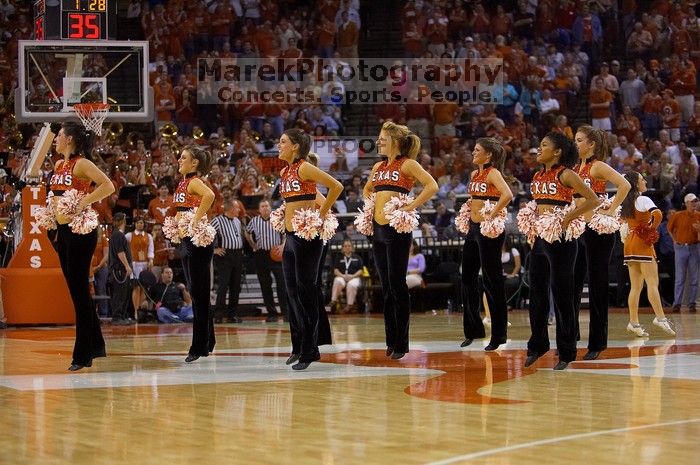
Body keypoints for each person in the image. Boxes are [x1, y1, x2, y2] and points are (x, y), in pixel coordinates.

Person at [524, 132, 599, 371]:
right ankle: (537, 345)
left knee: (563, 295)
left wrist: (568, 218)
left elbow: (592, 199)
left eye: (543, 145)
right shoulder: (537, 175)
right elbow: (538, 206)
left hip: (562, 242)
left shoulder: (566, 174)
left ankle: (566, 351)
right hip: (540, 239)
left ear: (557, 152)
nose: (538, 148)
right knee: (536, 293)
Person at [363, 121, 438, 360]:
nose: (379, 141)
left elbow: (431, 185)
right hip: (377, 229)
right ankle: (390, 339)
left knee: (397, 285)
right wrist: (371, 204)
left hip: (397, 229)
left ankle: (401, 343)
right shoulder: (377, 166)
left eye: (383, 138)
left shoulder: (408, 164)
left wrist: (411, 205)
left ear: (395, 141)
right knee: (385, 286)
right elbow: (367, 189)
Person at [49, 122, 116, 371]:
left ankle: (82, 354)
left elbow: (108, 185)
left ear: (70, 139)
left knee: (79, 293)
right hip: (64, 231)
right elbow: (55, 197)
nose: (56, 138)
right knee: (76, 291)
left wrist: (83, 202)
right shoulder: (58, 165)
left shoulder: (82, 164)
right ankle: (97, 345)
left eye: (59, 135)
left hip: (81, 231)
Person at [278, 129, 343, 370]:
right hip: (290, 238)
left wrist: (320, 214)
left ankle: (310, 350)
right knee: (292, 293)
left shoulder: (305, 167)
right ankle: (298, 346)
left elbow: (336, 187)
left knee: (306, 292)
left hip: (307, 238)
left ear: (295, 146)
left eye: (283, 142)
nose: (279, 145)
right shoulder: (285, 171)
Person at [572, 126, 632, 360]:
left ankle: (597, 343)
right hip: (578, 229)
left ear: (591, 144)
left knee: (597, 285)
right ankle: (572, 335)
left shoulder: (598, 166)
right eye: (575, 140)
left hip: (598, 231)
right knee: (573, 283)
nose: (576, 144)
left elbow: (624, 185)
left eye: (579, 140)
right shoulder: (575, 168)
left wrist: (612, 209)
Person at [461, 137, 513, 350]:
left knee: (492, 280)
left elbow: (507, 194)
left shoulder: (493, 173)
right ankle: (473, 329)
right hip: (473, 229)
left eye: (477, 149)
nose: (473, 152)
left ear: (489, 155)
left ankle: (499, 334)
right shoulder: (474, 174)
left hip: (488, 230)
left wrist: (492, 212)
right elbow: (474, 198)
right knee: (468, 277)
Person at [171, 145, 216, 362]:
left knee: (198, 293)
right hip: (187, 240)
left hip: (197, 241)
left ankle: (198, 346)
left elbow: (210, 195)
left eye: (183, 157)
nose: (179, 160)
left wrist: (196, 220)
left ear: (194, 163)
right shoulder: (183, 182)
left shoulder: (195, 181)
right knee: (197, 291)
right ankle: (208, 340)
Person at [620, 172, 676, 337]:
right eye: (641, 179)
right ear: (636, 184)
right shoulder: (643, 199)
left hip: (629, 244)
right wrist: (651, 227)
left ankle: (634, 322)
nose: (644, 181)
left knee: (636, 286)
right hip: (642, 244)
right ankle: (660, 318)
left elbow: (623, 223)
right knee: (652, 283)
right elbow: (658, 214)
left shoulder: (626, 202)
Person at [245, 199, 288, 322]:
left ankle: (286, 313)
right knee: (265, 285)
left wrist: (283, 245)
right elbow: (247, 232)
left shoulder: (277, 219)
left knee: (282, 284)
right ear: (259, 209)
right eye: (262, 206)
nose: (265, 208)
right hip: (261, 255)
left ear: (270, 208)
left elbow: (285, 234)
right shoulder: (254, 221)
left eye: (267, 206)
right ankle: (272, 313)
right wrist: (252, 244)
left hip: (276, 253)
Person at [210, 200, 245, 323]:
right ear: (230, 209)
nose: (239, 210)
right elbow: (206, 236)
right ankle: (219, 314)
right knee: (223, 286)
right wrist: (214, 250)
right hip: (225, 255)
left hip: (237, 255)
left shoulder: (237, 221)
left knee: (236, 286)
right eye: (237, 208)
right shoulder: (217, 221)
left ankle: (232, 314)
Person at [667, 193, 700, 313]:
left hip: (694, 247)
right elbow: (669, 228)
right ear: (686, 203)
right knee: (680, 278)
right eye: (692, 202)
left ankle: (692, 303)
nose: (694, 204)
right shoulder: (677, 215)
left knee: (694, 278)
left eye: (695, 201)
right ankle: (677, 304)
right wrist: (675, 241)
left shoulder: (698, 216)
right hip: (681, 248)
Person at [125, 217, 154, 315]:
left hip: (145, 263)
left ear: (144, 224)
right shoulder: (129, 235)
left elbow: (150, 249)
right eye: (137, 223)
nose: (139, 224)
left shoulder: (148, 236)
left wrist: (151, 260)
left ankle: (142, 310)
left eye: (141, 223)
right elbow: (123, 247)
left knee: (143, 288)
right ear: (135, 224)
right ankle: (136, 311)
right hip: (134, 264)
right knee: (136, 287)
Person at [331, 240, 363, 313]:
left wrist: (353, 276)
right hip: (342, 276)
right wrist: (343, 276)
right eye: (345, 246)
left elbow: (361, 270)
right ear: (343, 248)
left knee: (351, 284)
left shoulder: (357, 257)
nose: (347, 247)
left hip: (354, 277)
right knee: (337, 280)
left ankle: (350, 305)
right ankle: (333, 301)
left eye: (349, 246)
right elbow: (335, 270)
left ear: (352, 247)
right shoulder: (339, 257)